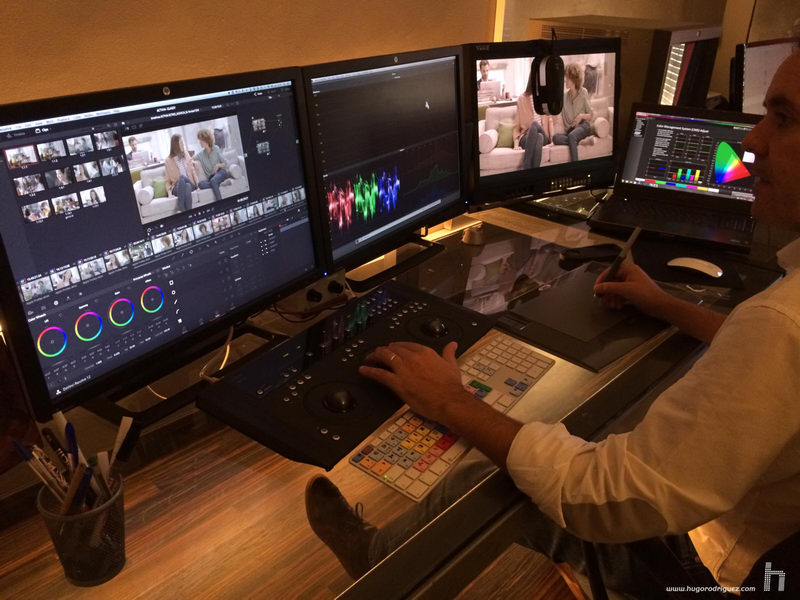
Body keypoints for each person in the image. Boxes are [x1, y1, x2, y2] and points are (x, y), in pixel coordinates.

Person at [305, 52, 800, 594]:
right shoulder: (780, 321)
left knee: (493, 473)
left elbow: (603, 495)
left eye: (784, 118)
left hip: (720, 576)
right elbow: (777, 364)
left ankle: (374, 558)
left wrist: (449, 400)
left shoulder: (781, 322)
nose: (753, 140)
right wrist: (667, 305)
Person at [553, 63, 593, 162]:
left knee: (572, 136)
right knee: (555, 138)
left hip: (583, 126)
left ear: (574, 78)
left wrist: (581, 116)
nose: (565, 80)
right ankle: (580, 141)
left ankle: (576, 165)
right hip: (571, 131)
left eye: (567, 77)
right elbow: (555, 110)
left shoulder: (583, 92)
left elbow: (591, 115)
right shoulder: (564, 97)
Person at [514, 66, 551, 170]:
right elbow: (517, 125)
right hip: (526, 136)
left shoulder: (544, 98)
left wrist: (552, 140)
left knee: (536, 126)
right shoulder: (522, 99)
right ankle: (534, 174)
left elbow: (551, 119)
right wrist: (516, 144)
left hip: (544, 134)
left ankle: (525, 166)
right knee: (538, 137)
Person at [164, 134, 198, 212]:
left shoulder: (186, 154)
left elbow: (193, 170)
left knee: (183, 179)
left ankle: (180, 207)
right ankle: (188, 213)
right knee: (187, 186)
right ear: (176, 145)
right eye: (181, 143)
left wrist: (197, 185)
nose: (183, 145)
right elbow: (167, 180)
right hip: (177, 187)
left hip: (190, 182)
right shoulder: (168, 161)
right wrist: (169, 193)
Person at [195, 128, 230, 203]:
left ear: (206, 140)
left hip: (221, 172)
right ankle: (221, 183)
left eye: (200, 140)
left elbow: (226, 163)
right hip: (211, 177)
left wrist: (218, 165)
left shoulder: (216, 148)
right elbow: (191, 159)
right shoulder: (200, 154)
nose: (199, 142)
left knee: (213, 180)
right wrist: (194, 163)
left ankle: (220, 203)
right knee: (200, 184)